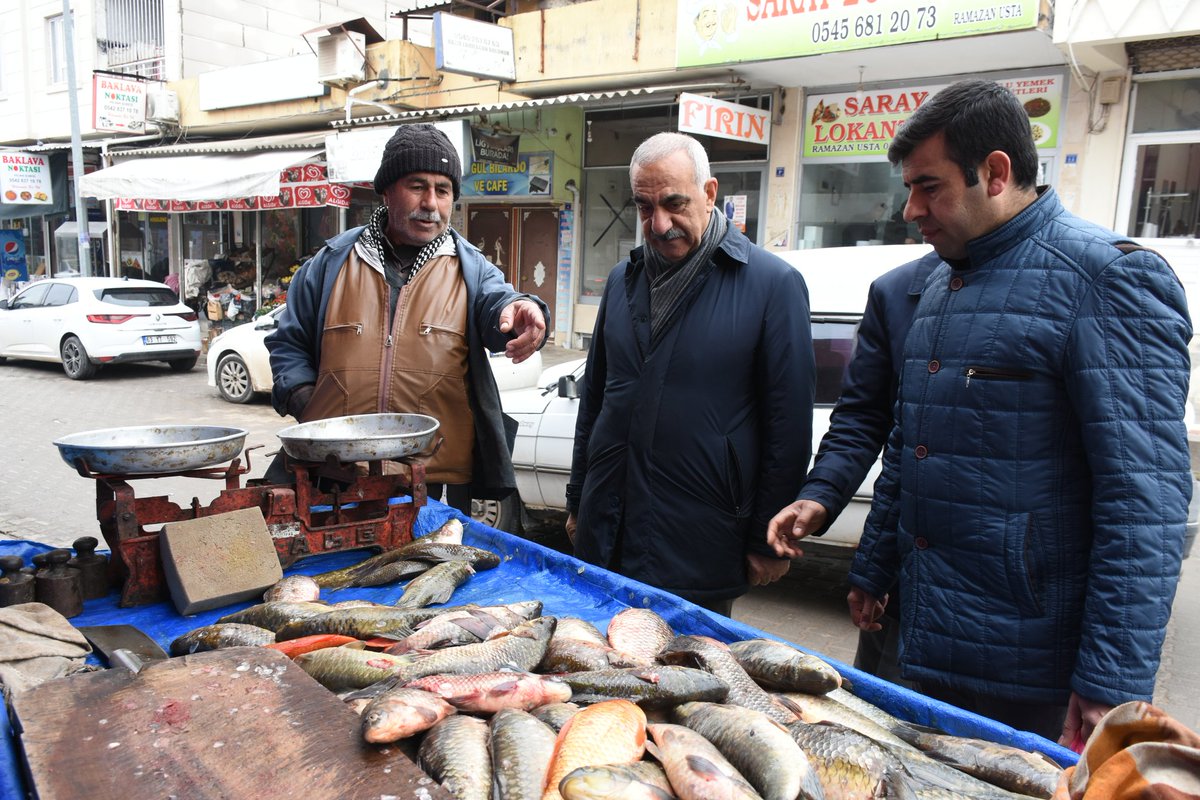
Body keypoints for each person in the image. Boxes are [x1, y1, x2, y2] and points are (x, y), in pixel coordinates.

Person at [800, 79, 1192, 747]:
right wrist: (873, 567)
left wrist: (1111, 682)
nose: (910, 210)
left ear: (997, 172)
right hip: (917, 636)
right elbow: (910, 446)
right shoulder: (940, 282)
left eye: (929, 187)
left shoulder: (1108, 279)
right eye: (909, 188)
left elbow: (1143, 503)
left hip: (1026, 669)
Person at [564, 132, 815, 615]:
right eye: (644, 208)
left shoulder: (772, 285)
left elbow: (788, 427)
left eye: (674, 203)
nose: (658, 224)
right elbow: (595, 400)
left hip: (700, 543)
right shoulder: (622, 280)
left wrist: (768, 538)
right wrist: (579, 499)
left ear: (710, 193)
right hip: (607, 533)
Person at [266, 124, 550, 511]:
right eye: (417, 186)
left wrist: (522, 310)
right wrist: (307, 403)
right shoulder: (330, 263)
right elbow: (288, 343)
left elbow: (499, 303)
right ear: (386, 191)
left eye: (443, 190)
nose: (431, 203)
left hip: (429, 480)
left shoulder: (472, 270)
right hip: (331, 473)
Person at [767, 250, 941, 687]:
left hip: (1020, 618)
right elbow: (864, 419)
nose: (910, 216)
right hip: (899, 587)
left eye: (930, 189)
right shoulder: (896, 291)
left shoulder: (1085, 273)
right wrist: (821, 494)